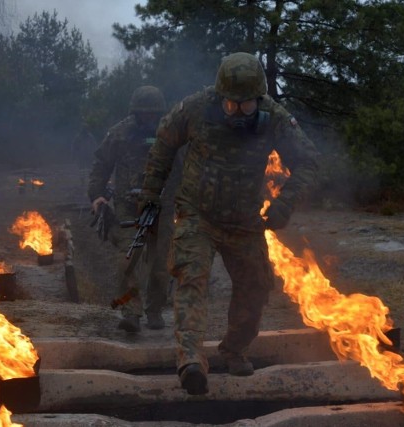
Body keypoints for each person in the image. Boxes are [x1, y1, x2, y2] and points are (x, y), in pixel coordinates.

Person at [138, 52, 321, 395]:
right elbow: (163, 144)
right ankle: (191, 360)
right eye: (231, 105)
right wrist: (150, 194)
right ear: (219, 97)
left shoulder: (276, 119)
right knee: (192, 278)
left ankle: (234, 349)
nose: (238, 112)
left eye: (247, 106)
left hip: (244, 220)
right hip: (197, 213)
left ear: (260, 100)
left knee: (255, 286)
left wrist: (284, 203)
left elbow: (309, 161)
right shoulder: (194, 108)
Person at [87, 85, 171, 333]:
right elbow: (101, 165)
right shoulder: (119, 134)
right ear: (134, 113)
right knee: (128, 260)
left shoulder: (172, 134)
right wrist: (97, 196)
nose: (148, 119)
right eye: (143, 114)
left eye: (153, 114)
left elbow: (188, 167)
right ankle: (131, 312)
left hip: (162, 208)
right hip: (128, 209)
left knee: (160, 265)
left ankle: (155, 309)